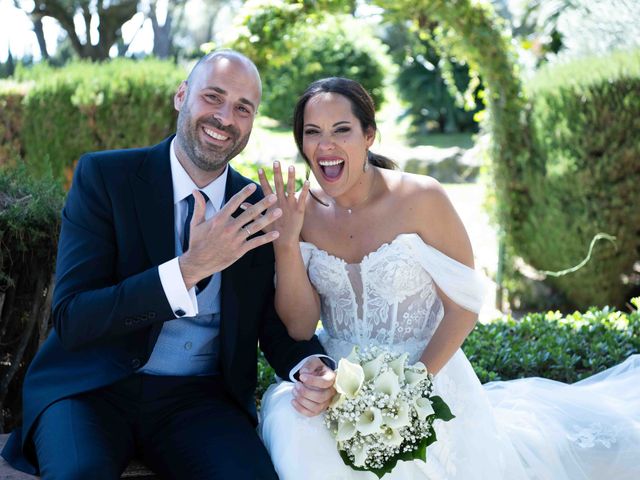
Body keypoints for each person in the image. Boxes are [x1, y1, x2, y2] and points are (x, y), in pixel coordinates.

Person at [257, 77, 640, 479]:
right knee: (290, 416)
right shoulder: (301, 211)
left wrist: (409, 389)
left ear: (369, 135)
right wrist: (286, 244)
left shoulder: (422, 198)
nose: (326, 146)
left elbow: (464, 306)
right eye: (312, 132)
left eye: (342, 130)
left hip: (428, 375)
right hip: (340, 385)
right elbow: (300, 326)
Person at [0, 50, 336, 480]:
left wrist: (307, 365)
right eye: (212, 97)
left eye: (242, 108)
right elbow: (73, 317)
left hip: (197, 401)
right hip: (90, 390)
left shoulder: (254, 207)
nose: (224, 118)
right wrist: (188, 269)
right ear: (181, 96)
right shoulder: (106, 178)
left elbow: (268, 321)